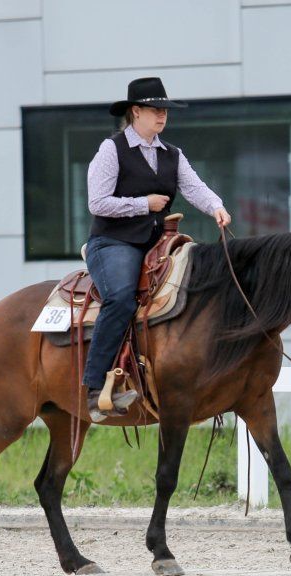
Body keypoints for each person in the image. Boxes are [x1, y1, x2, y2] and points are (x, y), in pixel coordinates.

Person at [83, 77, 231, 422]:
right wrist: (143, 204)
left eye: (164, 110)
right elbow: (97, 203)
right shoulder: (111, 149)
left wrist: (216, 208)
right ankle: (94, 389)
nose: (162, 116)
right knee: (120, 299)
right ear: (136, 112)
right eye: (154, 109)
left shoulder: (172, 155)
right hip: (114, 242)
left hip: (156, 243)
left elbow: (195, 187)